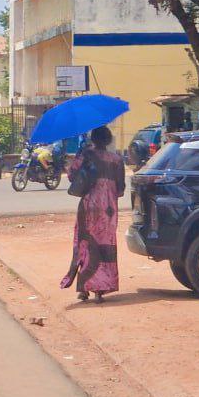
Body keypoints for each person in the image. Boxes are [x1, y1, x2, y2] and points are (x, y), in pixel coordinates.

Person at [60, 126, 126, 304]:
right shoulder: (117, 160)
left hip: (88, 206)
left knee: (85, 244)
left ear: (93, 139)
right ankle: (100, 289)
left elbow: (72, 176)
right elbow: (120, 190)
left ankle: (84, 288)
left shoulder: (86, 155)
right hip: (109, 209)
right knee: (105, 246)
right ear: (109, 140)